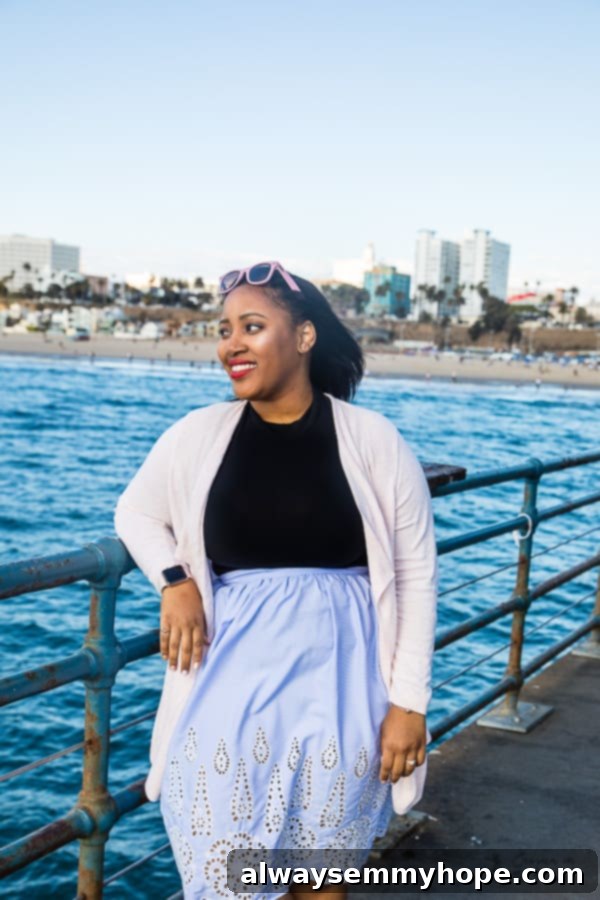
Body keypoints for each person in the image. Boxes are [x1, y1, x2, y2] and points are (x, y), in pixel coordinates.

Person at [114, 261, 438, 899]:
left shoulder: (372, 440)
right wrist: (175, 580)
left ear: (305, 337)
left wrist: (409, 705)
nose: (230, 343)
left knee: (320, 881)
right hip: (227, 690)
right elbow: (135, 511)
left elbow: (417, 575)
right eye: (225, 329)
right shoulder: (197, 435)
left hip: (343, 692)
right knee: (223, 872)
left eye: (252, 326)